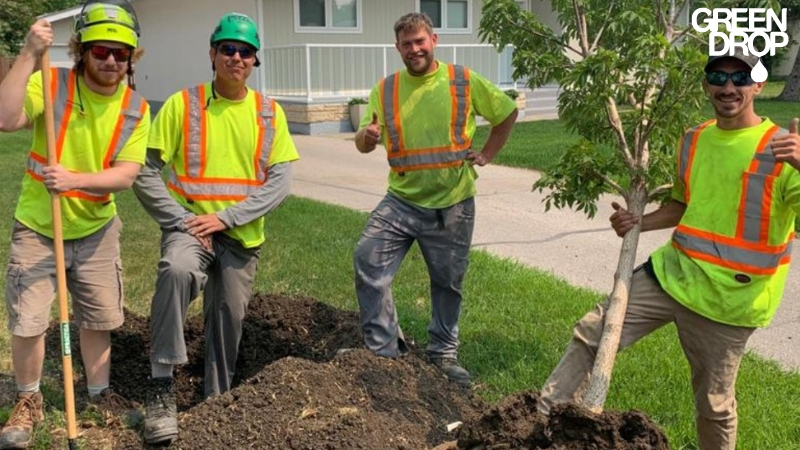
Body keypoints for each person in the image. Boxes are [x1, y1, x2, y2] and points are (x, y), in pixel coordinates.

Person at [537, 46, 800, 450]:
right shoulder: (693, 139)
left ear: (759, 84)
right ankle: (543, 426)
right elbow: (683, 204)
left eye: (741, 78)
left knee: (713, 406)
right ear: (706, 86)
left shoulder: (783, 149)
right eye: (718, 78)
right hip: (671, 276)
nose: (728, 87)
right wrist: (638, 222)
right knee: (593, 332)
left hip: (729, 302)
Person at [133, 12, 298, 445]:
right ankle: (161, 386)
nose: (236, 58)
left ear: (254, 60)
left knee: (228, 317)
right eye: (228, 49)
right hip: (189, 228)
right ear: (212, 53)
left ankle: (215, 405)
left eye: (245, 52)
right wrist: (182, 220)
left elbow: (280, 182)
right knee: (177, 270)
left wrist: (226, 217)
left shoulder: (268, 113)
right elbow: (146, 171)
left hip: (240, 235)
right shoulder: (181, 104)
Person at [0, 0, 149, 448]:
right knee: (28, 320)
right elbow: (6, 119)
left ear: (131, 58)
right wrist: (27, 53)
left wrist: (74, 179)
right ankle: (29, 400)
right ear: (82, 50)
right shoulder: (51, 83)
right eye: (101, 50)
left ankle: (99, 394)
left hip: (97, 229)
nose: (111, 61)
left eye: (121, 54)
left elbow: (126, 173)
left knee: (99, 317)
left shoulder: (136, 108)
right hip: (39, 225)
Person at [353, 12, 518, 387]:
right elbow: (364, 141)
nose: (414, 50)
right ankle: (384, 351)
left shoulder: (461, 81)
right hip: (401, 200)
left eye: (419, 41)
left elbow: (506, 113)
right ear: (397, 48)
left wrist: (488, 154)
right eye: (406, 44)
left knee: (447, 282)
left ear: (433, 40)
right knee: (368, 259)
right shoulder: (387, 88)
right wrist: (368, 136)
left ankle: (443, 354)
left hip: (452, 204)